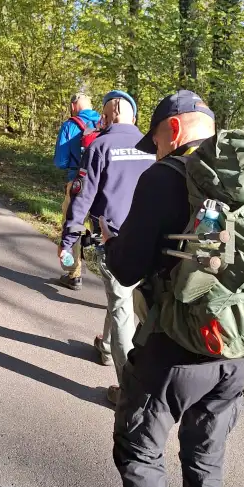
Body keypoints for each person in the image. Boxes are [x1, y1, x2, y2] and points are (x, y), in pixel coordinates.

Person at [102, 90, 244, 487]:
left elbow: (127, 267)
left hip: (177, 347)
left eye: (158, 138)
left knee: (138, 455)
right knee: (204, 460)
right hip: (238, 345)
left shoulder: (166, 177)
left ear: (173, 128)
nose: (157, 149)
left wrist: (110, 242)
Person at [60, 90, 155, 403]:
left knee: (121, 306)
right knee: (124, 299)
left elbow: (83, 195)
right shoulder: (154, 145)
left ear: (111, 113)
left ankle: (129, 391)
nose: (101, 119)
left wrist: (69, 237)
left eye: (103, 113)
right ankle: (104, 348)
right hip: (150, 239)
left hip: (111, 237)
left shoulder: (100, 145)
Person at [54, 93, 101, 291]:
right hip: (102, 181)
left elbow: (60, 161)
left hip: (77, 182)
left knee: (73, 225)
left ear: (74, 106)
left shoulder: (70, 125)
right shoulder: (104, 122)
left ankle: (74, 275)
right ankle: (113, 279)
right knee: (102, 228)